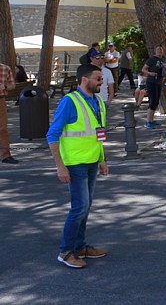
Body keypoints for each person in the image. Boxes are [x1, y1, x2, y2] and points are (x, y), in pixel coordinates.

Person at [46, 64, 109, 269]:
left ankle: (80, 247)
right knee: (79, 207)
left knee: (86, 206)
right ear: (84, 79)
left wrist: (102, 159)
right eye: (98, 78)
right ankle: (66, 251)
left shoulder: (98, 101)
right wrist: (60, 166)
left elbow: (98, 134)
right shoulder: (69, 101)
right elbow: (52, 134)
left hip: (91, 161)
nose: (101, 82)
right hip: (74, 163)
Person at [142, 45, 165, 128]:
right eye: (158, 50)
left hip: (158, 82)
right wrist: (150, 74)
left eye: (161, 50)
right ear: (155, 51)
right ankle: (148, 121)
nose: (159, 51)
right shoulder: (152, 59)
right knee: (152, 101)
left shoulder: (162, 60)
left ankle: (152, 119)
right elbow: (143, 69)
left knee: (156, 101)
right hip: (151, 82)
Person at [0, 63, 18, 164]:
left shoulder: (5, 68)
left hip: (1, 100)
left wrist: (5, 86)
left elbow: (12, 85)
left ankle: (5, 155)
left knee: (3, 129)